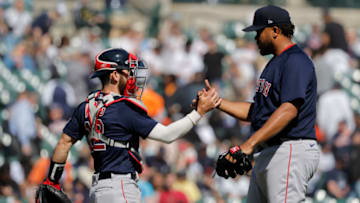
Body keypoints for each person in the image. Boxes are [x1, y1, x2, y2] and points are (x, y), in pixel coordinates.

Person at [37, 48, 221, 203]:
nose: (132, 76)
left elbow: (64, 143)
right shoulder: (124, 107)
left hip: (98, 189)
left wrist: (52, 180)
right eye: (128, 72)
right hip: (120, 188)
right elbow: (167, 135)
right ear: (115, 75)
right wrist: (199, 113)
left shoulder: (86, 107)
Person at [205, 5, 320, 202]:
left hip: (290, 148)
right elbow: (257, 111)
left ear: (275, 31)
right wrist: (218, 102)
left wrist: (249, 144)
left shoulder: (295, 61)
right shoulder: (275, 63)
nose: (256, 37)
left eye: (259, 31)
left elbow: (289, 109)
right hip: (270, 151)